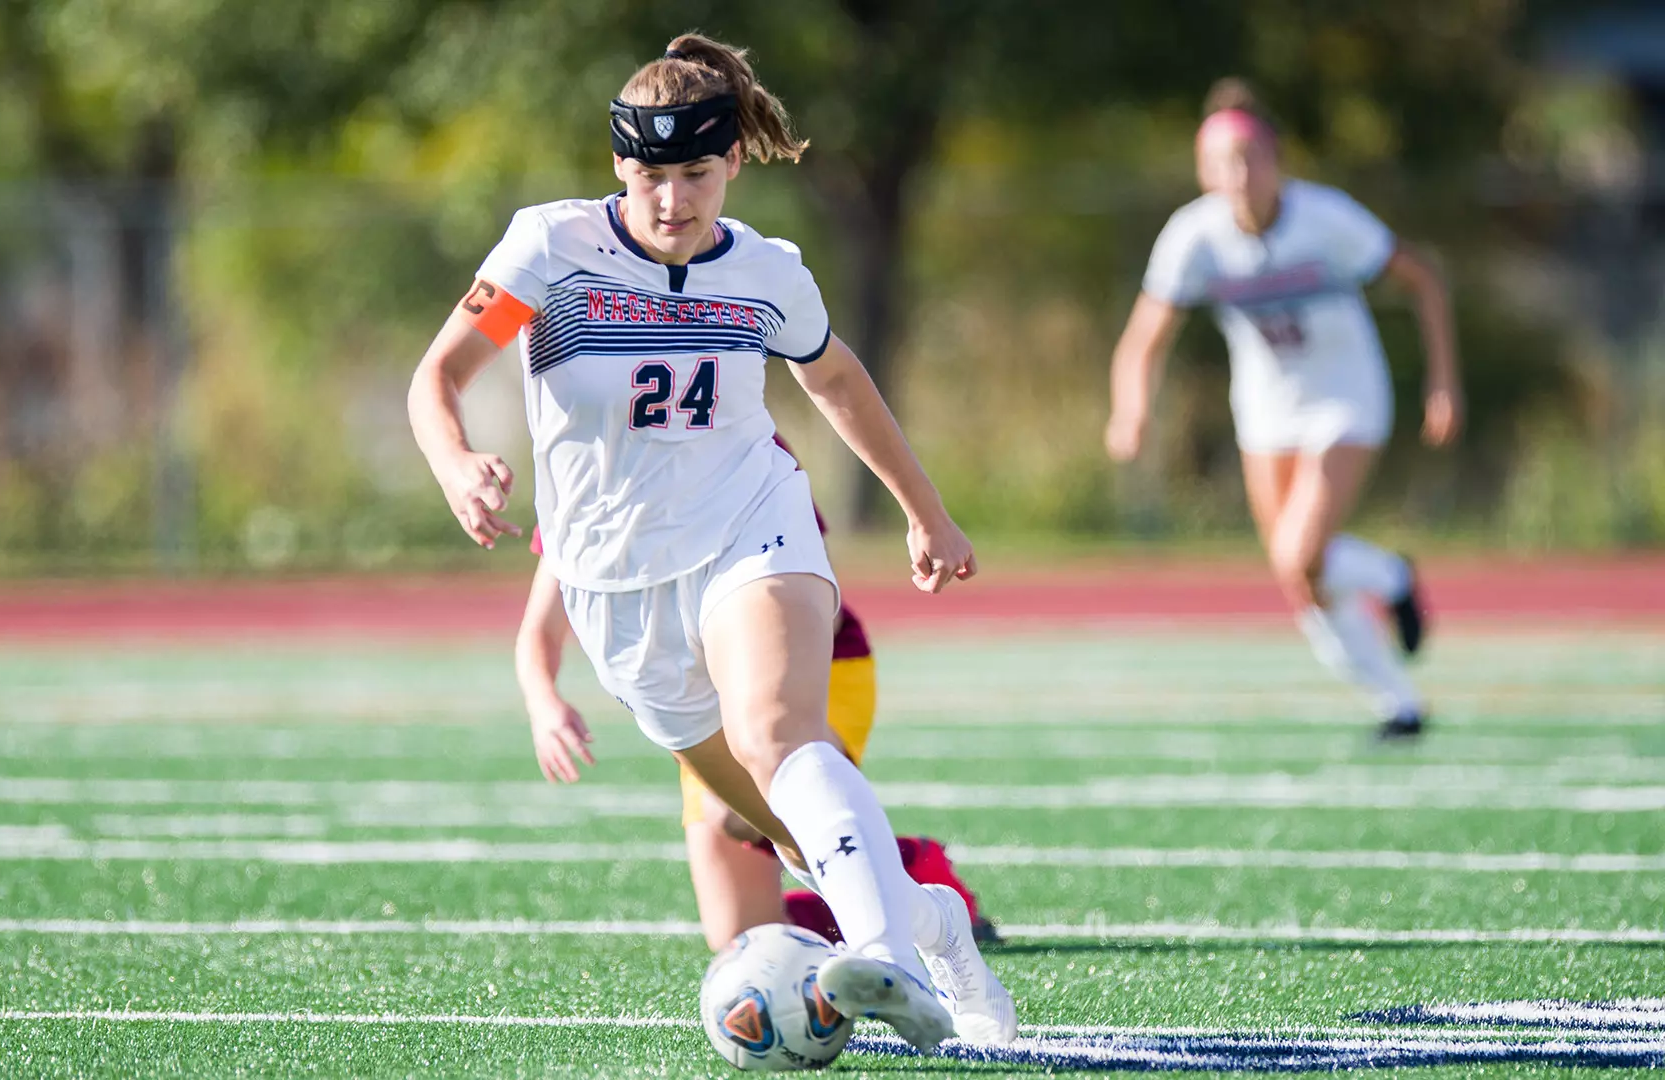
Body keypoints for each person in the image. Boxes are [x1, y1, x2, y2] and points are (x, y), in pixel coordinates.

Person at [407, 32, 1015, 1052]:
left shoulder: (769, 272)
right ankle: (939, 928)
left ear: (732, 161)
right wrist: (457, 464)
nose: (672, 202)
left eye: (695, 174)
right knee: (792, 834)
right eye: (650, 176)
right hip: (614, 589)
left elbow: (835, 382)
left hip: (751, 524)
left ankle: (886, 959)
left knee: (783, 734)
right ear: (618, 168)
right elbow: (437, 378)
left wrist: (927, 511)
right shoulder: (546, 251)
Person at [515, 433, 1000, 953]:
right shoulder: (586, 476)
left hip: (821, 662)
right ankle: (905, 882)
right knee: (742, 939)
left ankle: (913, 892)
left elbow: (820, 607)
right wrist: (544, 701)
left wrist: (747, 661)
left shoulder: (734, 436)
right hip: (702, 693)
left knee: (743, 808)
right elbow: (539, 630)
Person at [1105, 80, 1461, 740]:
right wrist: (1131, 411)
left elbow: (1424, 280)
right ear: (1203, 173)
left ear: (1276, 160)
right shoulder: (1194, 237)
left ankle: (1389, 575)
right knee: (1300, 578)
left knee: (1301, 551)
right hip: (1266, 413)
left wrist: (1444, 381)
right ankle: (1400, 704)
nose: (1236, 176)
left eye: (1249, 158)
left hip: (1346, 399)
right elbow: (1142, 341)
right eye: (1220, 164)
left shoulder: (1327, 220)